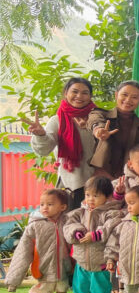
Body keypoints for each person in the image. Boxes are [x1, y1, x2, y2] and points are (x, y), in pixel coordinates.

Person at [27, 77, 97, 207]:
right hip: (70, 184)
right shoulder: (57, 120)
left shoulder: (98, 118)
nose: (79, 96)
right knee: (69, 219)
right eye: (74, 91)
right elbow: (43, 150)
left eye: (85, 93)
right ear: (66, 93)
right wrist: (41, 135)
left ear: (90, 96)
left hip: (98, 183)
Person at [5, 189, 72, 293]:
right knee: (42, 288)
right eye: (42, 204)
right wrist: (13, 280)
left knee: (62, 286)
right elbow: (23, 251)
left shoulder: (67, 222)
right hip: (43, 265)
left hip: (62, 263)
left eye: (50, 204)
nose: (45, 207)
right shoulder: (35, 225)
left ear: (62, 207)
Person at [63, 176, 121, 293]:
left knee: (101, 283)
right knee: (80, 284)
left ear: (107, 197)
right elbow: (68, 224)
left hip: (100, 259)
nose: (90, 199)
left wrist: (96, 235)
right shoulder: (80, 212)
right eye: (88, 195)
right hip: (81, 258)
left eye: (96, 196)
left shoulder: (110, 212)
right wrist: (76, 232)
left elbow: (112, 227)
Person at [88, 80, 139, 179]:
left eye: (134, 97)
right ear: (116, 95)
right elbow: (95, 121)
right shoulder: (101, 114)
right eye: (124, 95)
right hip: (102, 175)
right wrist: (99, 130)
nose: (128, 100)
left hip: (130, 178)